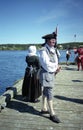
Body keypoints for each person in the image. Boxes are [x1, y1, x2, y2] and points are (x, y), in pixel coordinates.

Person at [39, 32, 61, 123]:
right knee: (49, 91)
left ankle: (44, 108)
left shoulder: (53, 49)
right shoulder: (43, 50)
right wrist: (55, 67)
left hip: (51, 73)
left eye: (54, 40)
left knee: (46, 90)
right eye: (52, 40)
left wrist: (57, 68)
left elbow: (55, 60)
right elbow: (46, 64)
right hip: (46, 73)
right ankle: (52, 113)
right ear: (47, 40)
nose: (54, 41)